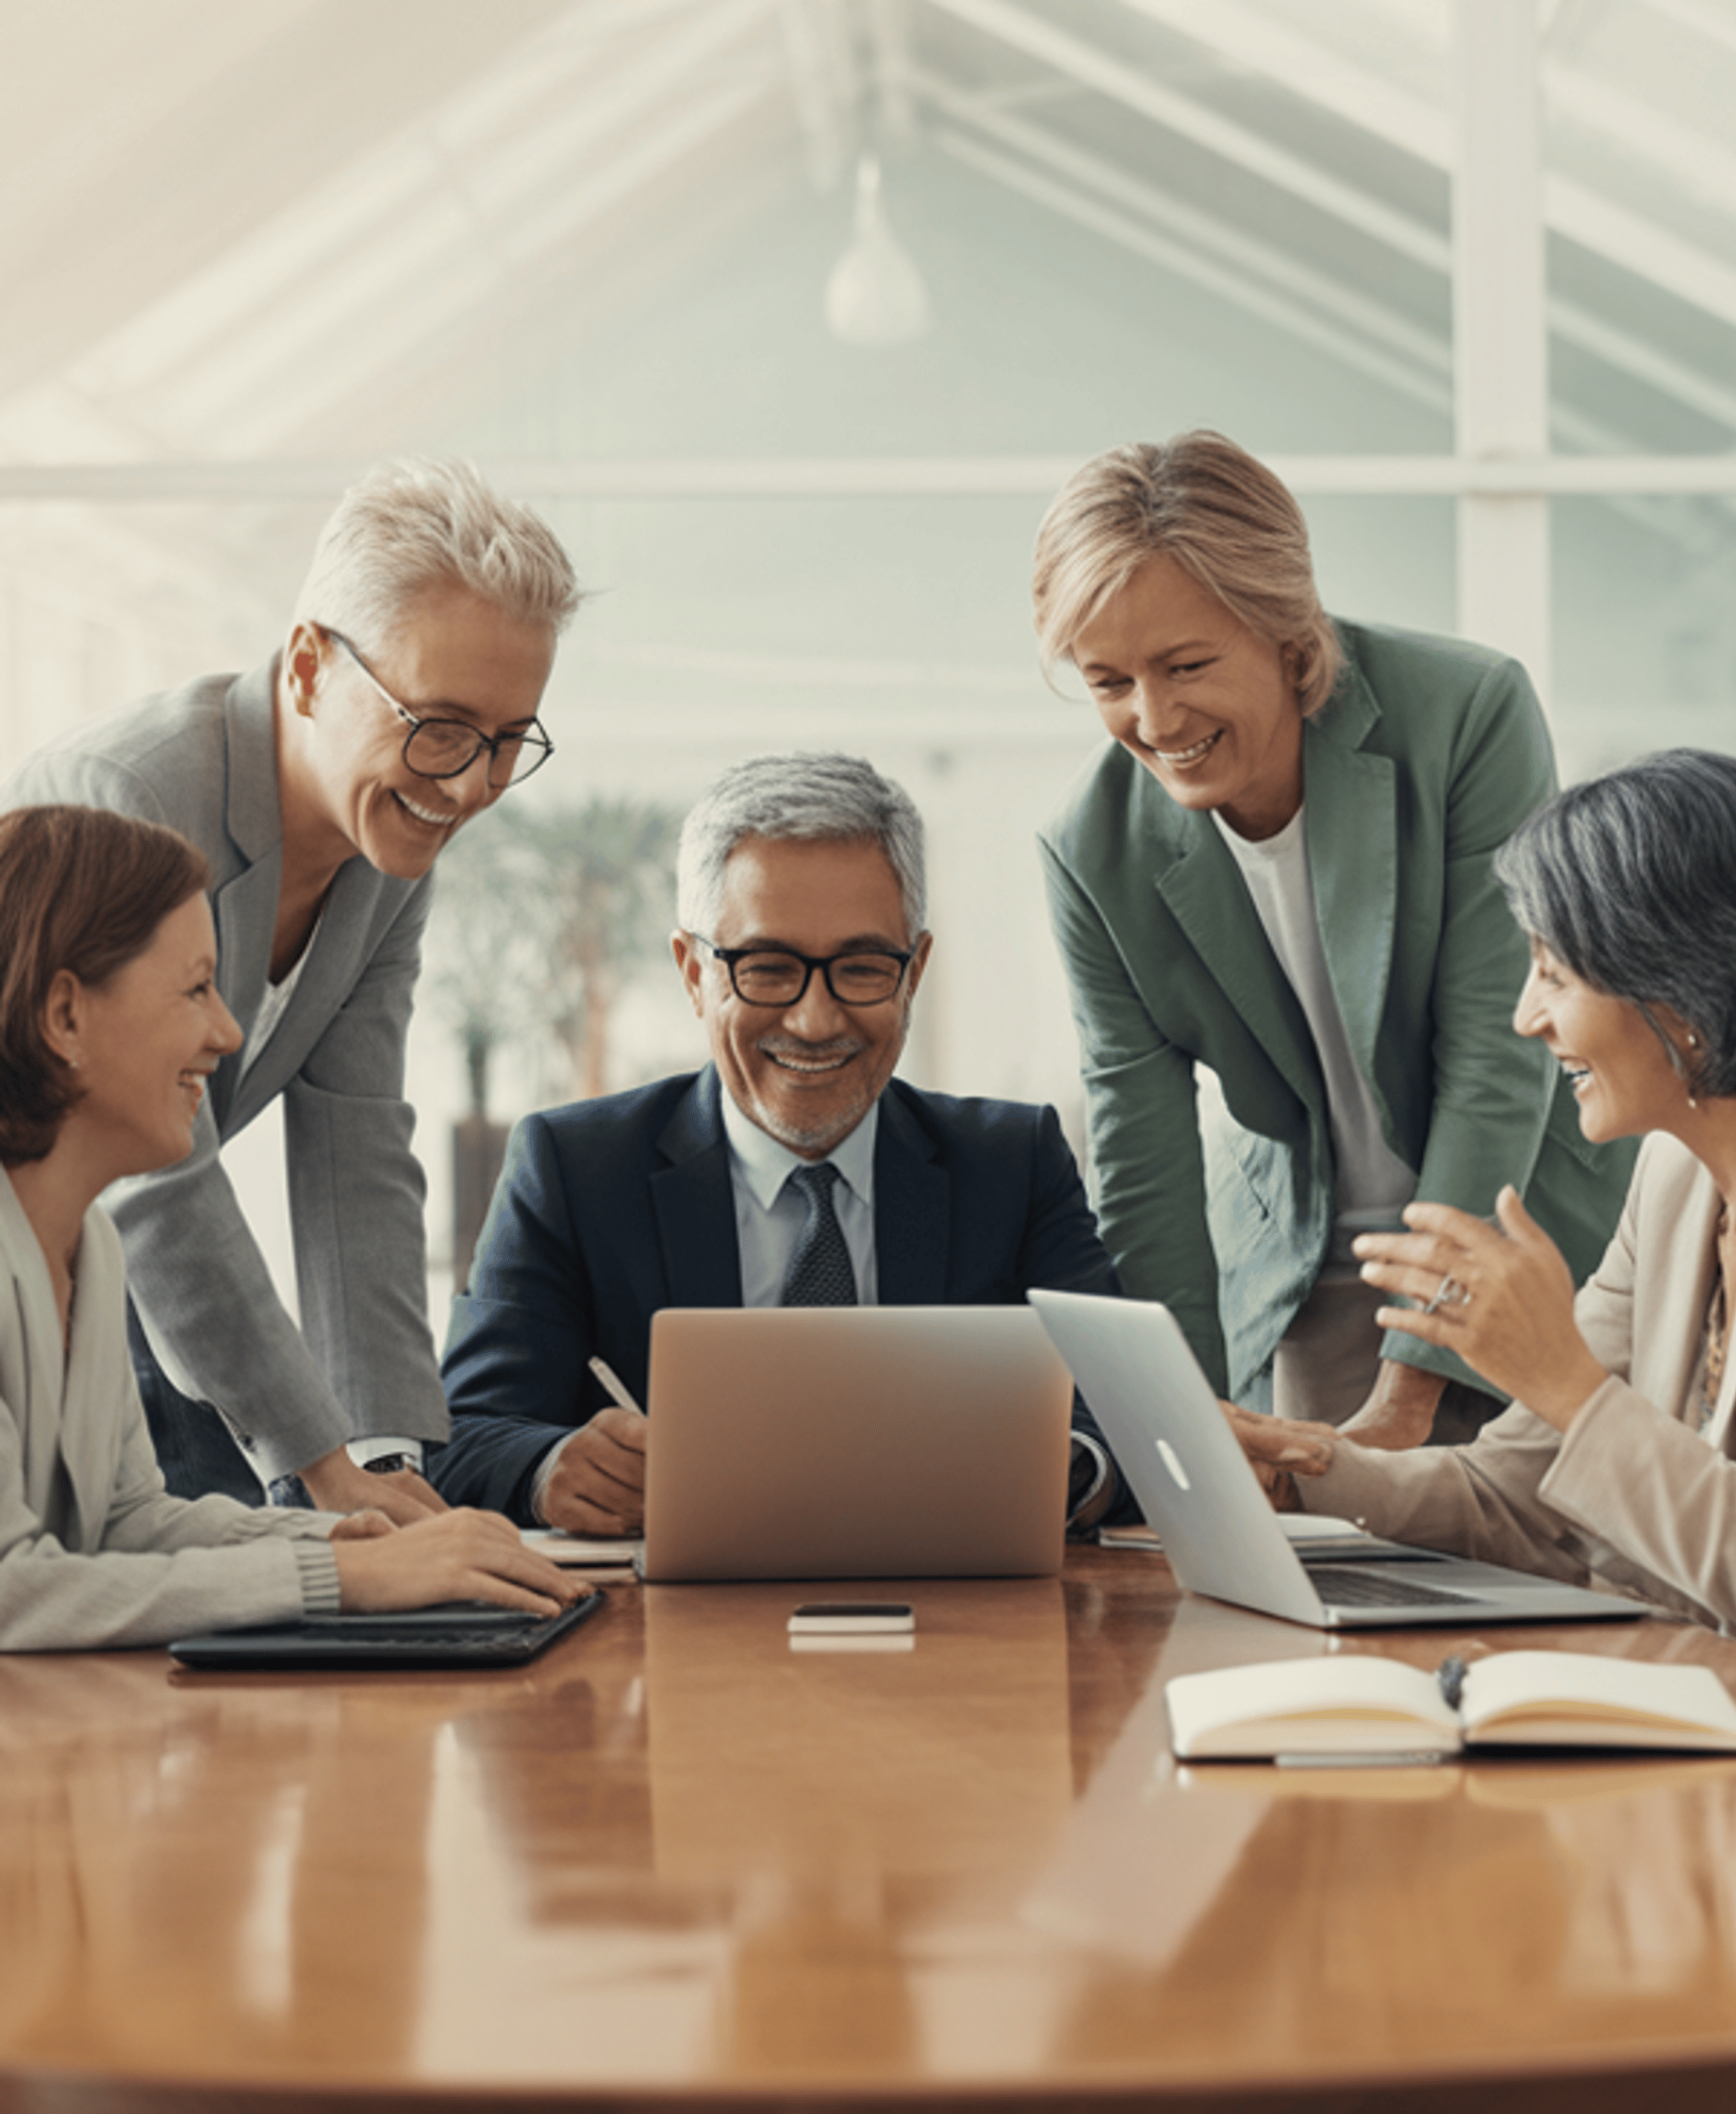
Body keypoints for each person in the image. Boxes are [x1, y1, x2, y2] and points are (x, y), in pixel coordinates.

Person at [1, 456, 581, 1522]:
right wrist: (321, 1467)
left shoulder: (392, 842)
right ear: (311, 667)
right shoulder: (129, 796)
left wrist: (391, 1461)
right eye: (441, 726)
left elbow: (356, 1145)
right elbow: (157, 1171)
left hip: (134, 1280)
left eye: (507, 742)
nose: (469, 787)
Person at [1033, 429, 1634, 1447]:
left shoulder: (1466, 714)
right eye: (1107, 681)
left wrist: (1409, 1397)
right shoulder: (1090, 848)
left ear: (1284, 628)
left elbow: (1496, 1058)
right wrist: (1181, 1433)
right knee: (1322, 1577)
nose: (1153, 716)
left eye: (1186, 664)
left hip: (1520, 1218)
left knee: (1548, 1562)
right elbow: (1144, 1158)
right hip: (1309, 1260)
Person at [432, 751, 1159, 1535]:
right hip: (664, 1636)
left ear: (913, 972)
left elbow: (1126, 1415)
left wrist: (1068, 1467)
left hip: (964, 1623)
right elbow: (462, 1435)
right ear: (692, 971)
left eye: (861, 966)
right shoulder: (574, 1169)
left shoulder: (1015, 1163)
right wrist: (548, 1469)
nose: (815, 1021)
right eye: (769, 968)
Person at [1265, 750, 1736, 1664]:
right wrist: (1299, 1474)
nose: (1526, 1017)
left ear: (1686, 987)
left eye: (1554, 975)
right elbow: (1518, 1491)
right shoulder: (1675, 1179)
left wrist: (1565, 1380)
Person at [0, 804, 585, 1650]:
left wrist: (352, 1542)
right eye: (197, 988)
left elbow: (126, 1522)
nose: (229, 1033)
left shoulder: (88, 1246)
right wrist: (342, 1581)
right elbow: (13, 1590)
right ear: (64, 1016)